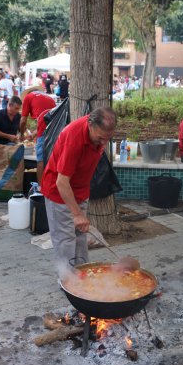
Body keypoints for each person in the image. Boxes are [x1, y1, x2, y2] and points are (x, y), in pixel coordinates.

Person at [42, 107, 117, 273]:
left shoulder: (98, 135)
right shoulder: (73, 137)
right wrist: (76, 214)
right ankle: (68, 282)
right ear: (90, 125)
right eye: (100, 138)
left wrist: (79, 214)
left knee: (80, 236)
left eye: (107, 139)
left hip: (80, 191)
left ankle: (82, 274)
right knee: (65, 240)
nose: (103, 143)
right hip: (59, 192)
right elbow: (62, 182)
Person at [20, 89, 56, 183]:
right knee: (51, 158)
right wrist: (33, 135)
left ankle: (40, 188)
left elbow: (23, 120)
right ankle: (49, 184)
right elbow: (46, 122)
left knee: (40, 159)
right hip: (55, 129)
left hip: (45, 129)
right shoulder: (49, 98)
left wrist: (21, 134)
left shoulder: (28, 97)